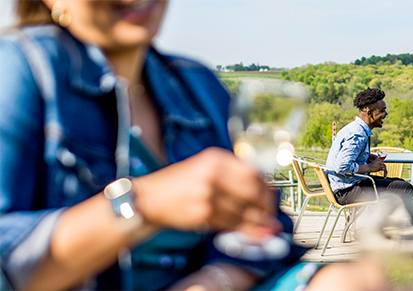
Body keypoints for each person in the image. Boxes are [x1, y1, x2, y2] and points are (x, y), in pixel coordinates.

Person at [0, 1, 380, 290]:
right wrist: (145, 203)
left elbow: (265, 232)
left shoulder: (197, 85)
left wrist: (218, 279)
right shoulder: (21, 67)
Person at [325, 88, 413, 233]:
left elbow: (346, 156)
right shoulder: (358, 134)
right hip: (347, 190)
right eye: (382, 111)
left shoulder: (354, 128)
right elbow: (341, 166)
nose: (385, 114)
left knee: (401, 185)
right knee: (404, 189)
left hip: (346, 186)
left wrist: (368, 156)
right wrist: (370, 168)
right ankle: (373, 228)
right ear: (369, 113)